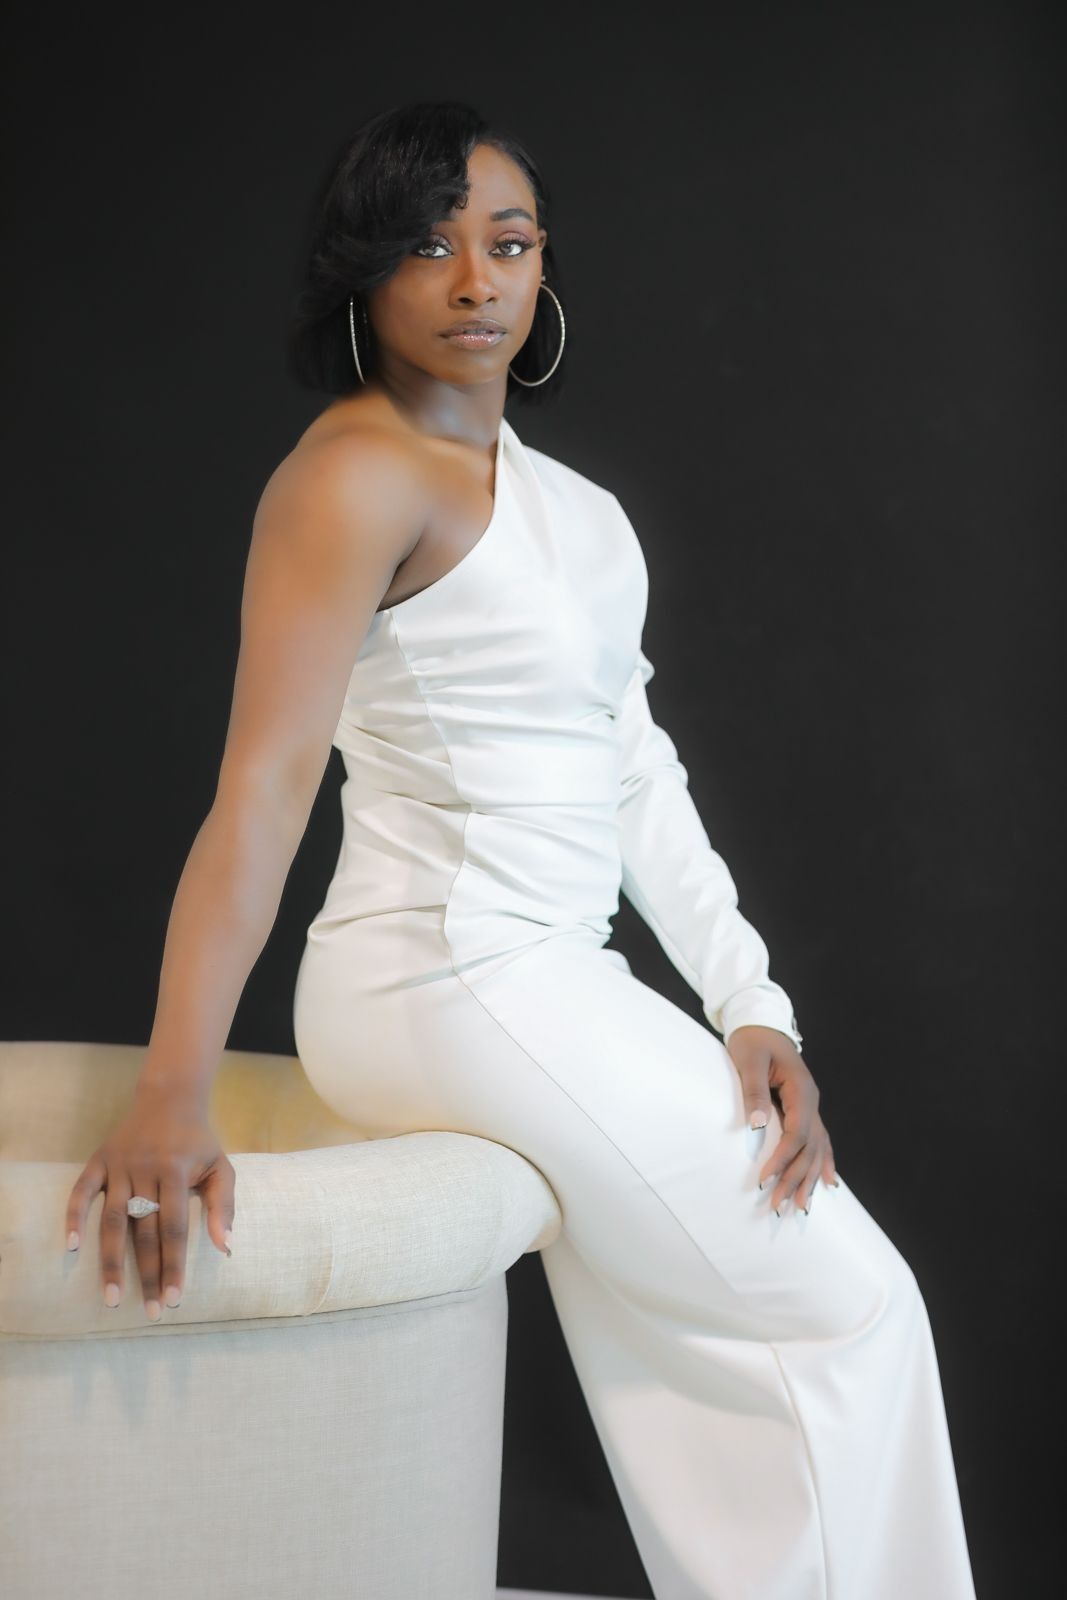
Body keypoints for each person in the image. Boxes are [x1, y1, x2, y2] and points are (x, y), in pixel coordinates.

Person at [64, 100, 978, 1599]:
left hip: (547, 977)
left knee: (709, 1346)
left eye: (508, 242)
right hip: (440, 975)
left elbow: (633, 766)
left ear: (545, 266)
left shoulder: (580, 512)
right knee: (853, 1304)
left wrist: (751, 1003)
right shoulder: (347, 477)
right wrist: (175, 1082)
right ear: (363, 273)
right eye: (431, 246)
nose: (476, 282)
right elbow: (265, 788)